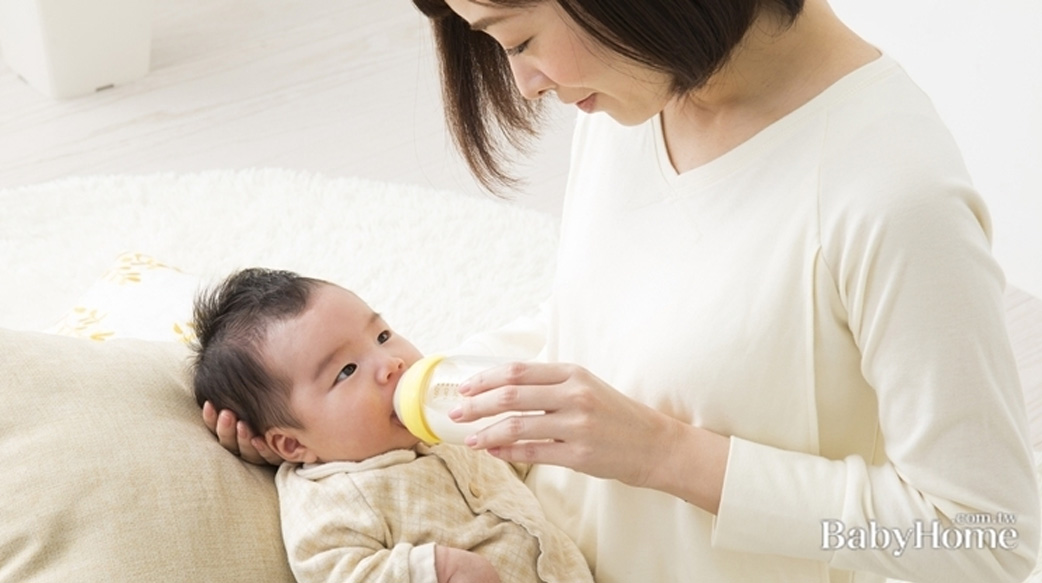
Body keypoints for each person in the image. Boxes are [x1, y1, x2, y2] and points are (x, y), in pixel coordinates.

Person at [205, 1, 1041, 582]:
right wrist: (333, 419)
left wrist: (672, 456)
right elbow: (606, 319)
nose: (525, 82)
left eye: (520, 36)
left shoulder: (892, 198)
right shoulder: (640, 95)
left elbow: (986, 536)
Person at [191, 268, 594, 583]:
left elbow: (507, 461)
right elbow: (334, 571)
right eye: (346, 371)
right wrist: (435, 570)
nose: (391, 364)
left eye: (382, 335)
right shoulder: (330, 499)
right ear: (293, 446)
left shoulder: (439, 422)